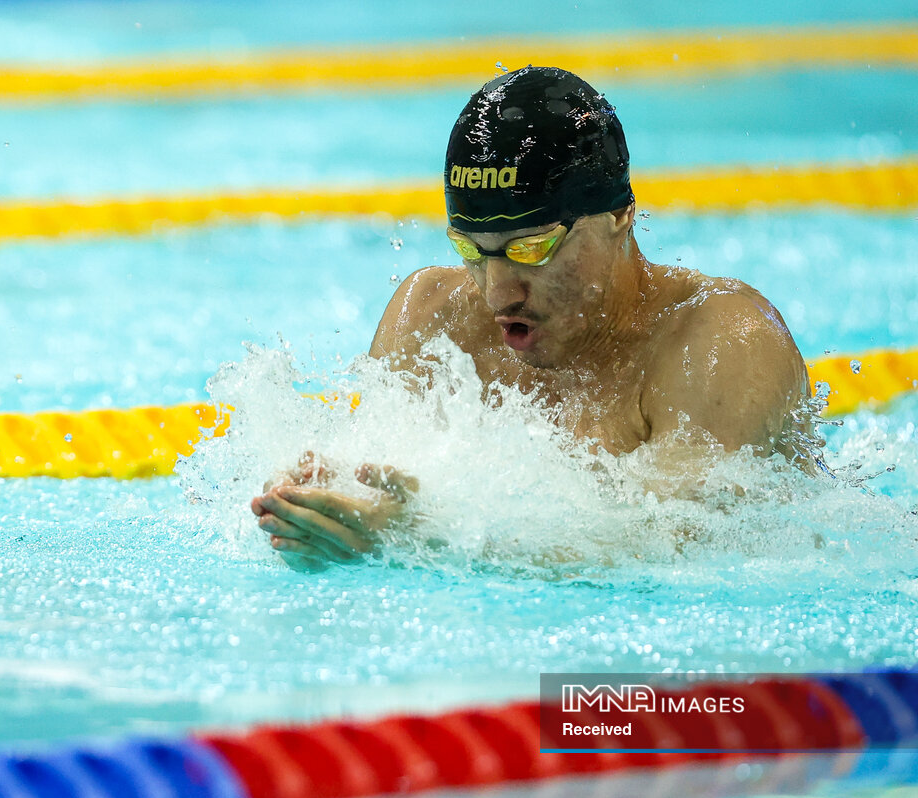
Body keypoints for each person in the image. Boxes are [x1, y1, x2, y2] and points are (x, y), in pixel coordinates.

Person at [250, 66, 812, 569]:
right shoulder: (433, 314)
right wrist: (318, 515)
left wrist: (423, 539)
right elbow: (380, 494)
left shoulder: (721, 343)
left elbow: (676, 549)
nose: (498, 294)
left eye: (531, 248)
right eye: (472, 251)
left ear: (619, 215)